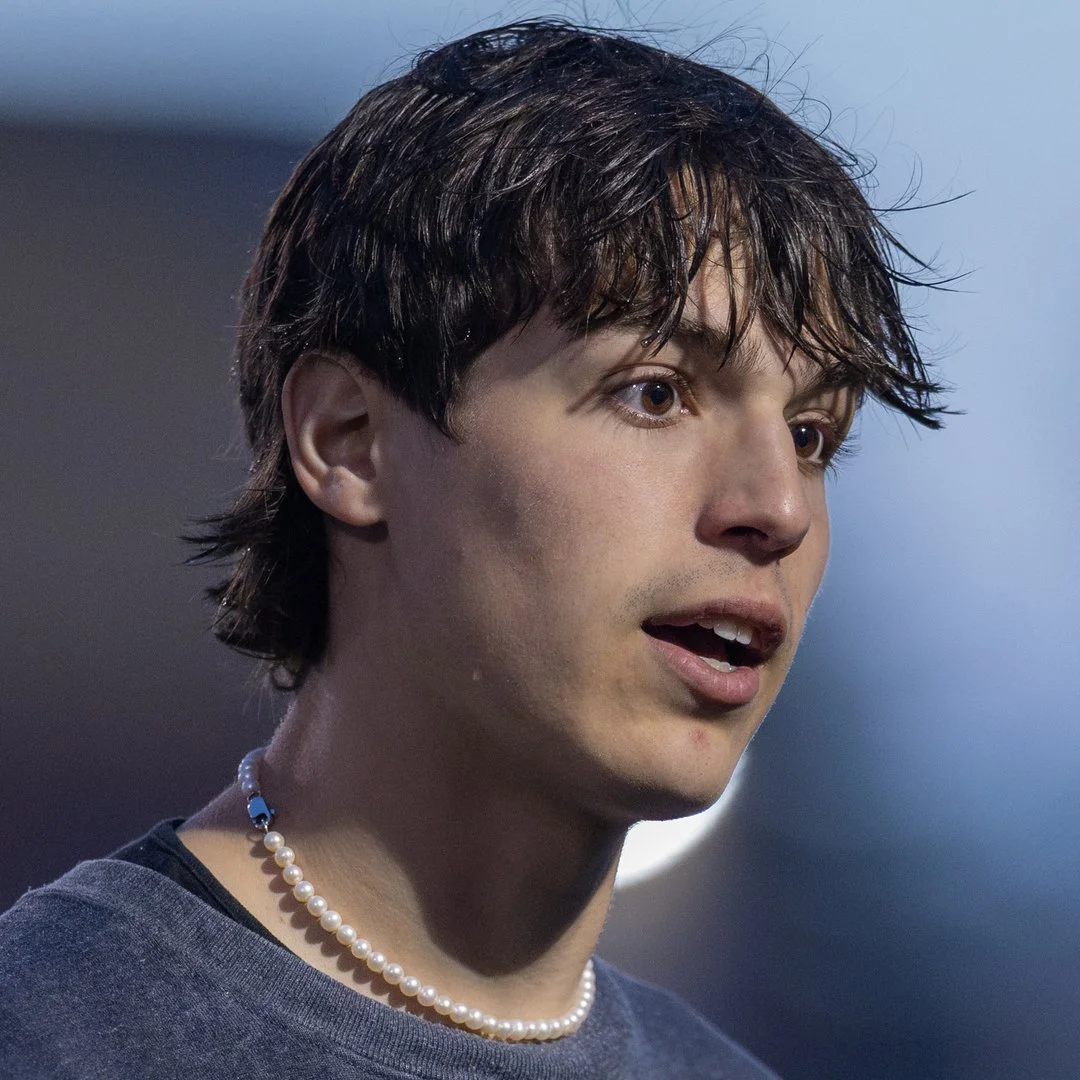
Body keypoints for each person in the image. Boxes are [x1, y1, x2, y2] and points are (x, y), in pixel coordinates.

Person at [0, 19, 945, 1079]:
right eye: (655, 393)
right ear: (350, 444)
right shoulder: (52, 1031)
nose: (778, 506)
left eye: (813, 436)